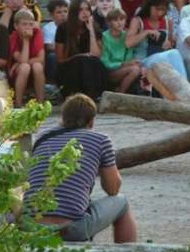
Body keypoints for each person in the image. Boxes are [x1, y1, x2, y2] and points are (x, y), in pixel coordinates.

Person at [26, 93, 137, 243]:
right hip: (71, 228)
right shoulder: (100, 140)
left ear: (63, 119)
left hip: (30, 227)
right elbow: (113, 189)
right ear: (91, 122)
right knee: (122, 202)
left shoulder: (42, 138)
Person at [126, 0, 188, 79]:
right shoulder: (138, 21)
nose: (159, 13)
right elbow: (128, 43)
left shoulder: (166, 21)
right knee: (174, 54)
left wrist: (169, 45)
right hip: (143, 61)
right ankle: (185, 87)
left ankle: (183, 86)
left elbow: (170, 45)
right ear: (149, 6)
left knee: (174, 54)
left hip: (162, 60)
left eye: (163, 10)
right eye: (157, 9)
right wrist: (146, 32)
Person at [54, 0, 108, 99]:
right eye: (80, 10)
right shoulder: (63, 28)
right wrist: (79, 56)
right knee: (81, 60)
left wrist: (91, 30)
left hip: (91, 69)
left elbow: (96, 55)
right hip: (69, 71)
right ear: (74, 12)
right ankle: (84, 94)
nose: (85, 13)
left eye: (87, 9)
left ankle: (90, 95)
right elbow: (60, 60)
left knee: (92, 61)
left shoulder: (95, 28)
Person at [101, 8, 145, 93]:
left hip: (125, 69)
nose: (119, 22)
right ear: (109, 22)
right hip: (109, 72)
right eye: (115, 20)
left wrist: (132, 63)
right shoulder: (104, 37)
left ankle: (120, 91)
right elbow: (105, 62)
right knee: (135, 69)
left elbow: (128, 57)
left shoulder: (126, 36)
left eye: (122, 19)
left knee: (138, 67)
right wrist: (123, 64)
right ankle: (120, 93)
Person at [8, 9, 45, 108]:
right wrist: (26, 41)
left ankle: (40, 103)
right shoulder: (13, 37)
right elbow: (23, 61)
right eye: (24, 24)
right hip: (18, 73)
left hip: (33, 69)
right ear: (16, 26)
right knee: (25, 67)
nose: (28, 27)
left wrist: (20, 63)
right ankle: (18, 104)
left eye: (30, 24)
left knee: (37, 66)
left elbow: (41, 59)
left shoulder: (37, 33)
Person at [43, 0, 68, 84]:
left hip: (70, 53)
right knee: (52, 56)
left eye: (65, 11)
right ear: (51, 15)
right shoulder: (48, 28)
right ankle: (52, 82)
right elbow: (48, 46)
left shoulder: (72, 26)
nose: (63, 14)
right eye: (59, 12)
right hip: (57, 53)